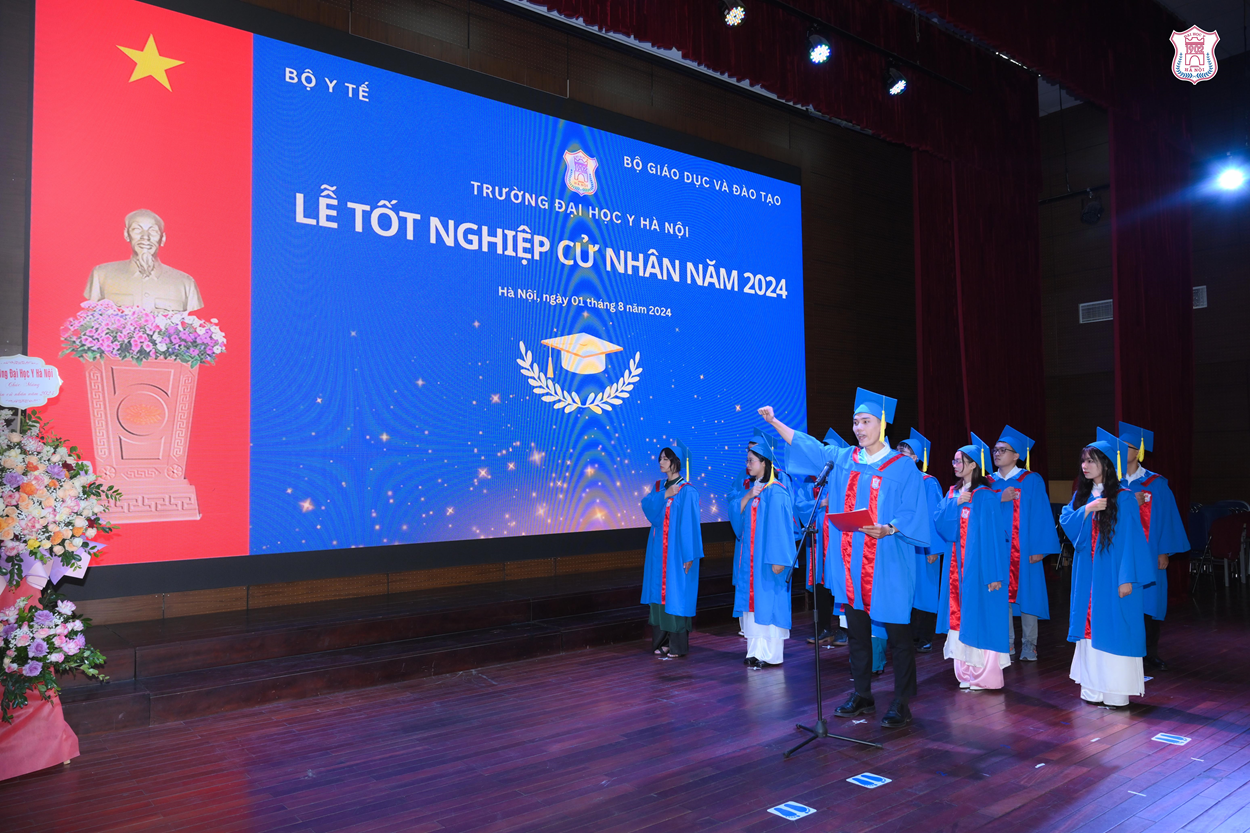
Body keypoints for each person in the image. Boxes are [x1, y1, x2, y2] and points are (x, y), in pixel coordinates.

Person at [759, 388, 930, 728]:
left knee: (898, 635)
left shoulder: (903, 467)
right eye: (855, 422)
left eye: (866, 421)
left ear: (882, 424)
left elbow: (913, 510)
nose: (859, 428)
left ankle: (901, 701)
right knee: (857, 632)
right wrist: (776, 422)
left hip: (888, 562)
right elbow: (809, 446)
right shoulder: (843, 459)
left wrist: (891, 528)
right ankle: (863, 694)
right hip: (852, 564)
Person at [1059, 432, 1151, 709]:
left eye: (1092, 460)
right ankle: (1093, 688)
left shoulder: (1123, 498)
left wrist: (1127, 579)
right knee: (1089, 627)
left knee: (1114, 627)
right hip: (1087, 575)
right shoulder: (1083, 495)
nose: (1085, 466)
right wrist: (1087, 510)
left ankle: (1116, 691)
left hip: (1112, 575)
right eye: (1083, 461)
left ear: (1108, 464)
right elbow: (1067, 523)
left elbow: (1131, 542)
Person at [935, 436, 1010, 690]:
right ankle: (965, 672)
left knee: (980, 617)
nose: (955, 464)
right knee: (959, 617)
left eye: (960, 461)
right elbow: (942, 527)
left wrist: (994, 575)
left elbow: (994, 539)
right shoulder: (953, 493)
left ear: (974, 465)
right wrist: (953, 504)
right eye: (954, 460)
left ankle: (985, 675)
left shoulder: (986, 495)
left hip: (978, 569)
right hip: (956, 570)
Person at [1118, 422, 1189, 671]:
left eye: (1126, 446)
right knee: (1122, 600)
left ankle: (1149, 652)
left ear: (1138, 451)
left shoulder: (1155, 483)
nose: (1120, 449)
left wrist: (1163, 551)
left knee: (1149, 601)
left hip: (1148, 553)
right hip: (1118, 555)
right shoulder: (1110, 483)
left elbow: (1168, 519)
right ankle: (1123, 649)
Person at [989, 426, 1060, 662]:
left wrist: (1040, 548)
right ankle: (1006, 642)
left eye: (1003, 450)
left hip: (1025, 549)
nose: (997, 454)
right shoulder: (988, 482)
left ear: (1017, 454)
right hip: (998, 551)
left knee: (1028, 595)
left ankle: (1029, 644)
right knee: (1001, 597)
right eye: (995, 450)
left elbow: (1041, 514)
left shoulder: (1030, 480)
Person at [729, 435, 796, 668]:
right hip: (751, 560)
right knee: (753, 605)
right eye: (747, 460)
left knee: (769, 603)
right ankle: (755, 651)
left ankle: (771, 654)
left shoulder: (776, 492)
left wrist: (780, 559)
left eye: (751, 461)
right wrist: (748, 495)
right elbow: (738, 522)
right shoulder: (755, 491)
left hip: (768, 561)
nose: (747, 465)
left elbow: (782, 529)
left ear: (764, 462)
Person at [640, 441, 704, 658]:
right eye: (660, 458)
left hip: (676, 552)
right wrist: (665, 494)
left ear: (676, 462)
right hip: (658, 552)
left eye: (665, 458)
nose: (661, 462)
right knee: (658, 595)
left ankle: (677, 645)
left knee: (676, 595)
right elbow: (648, 508)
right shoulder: (659, 488)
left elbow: (691, 526)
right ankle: (661, 641)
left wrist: (689, 555)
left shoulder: (688, 491)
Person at [84, 209, 204, 312]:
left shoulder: (185, 283)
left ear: (163, 239)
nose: (145, 237)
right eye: (137, 230)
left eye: (153, 231)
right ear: (126, 234)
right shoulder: (101, 275)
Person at [898, 429, 946, 653]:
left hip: (923, 546)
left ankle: (925, 636)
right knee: (904, 590)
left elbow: (935, 516)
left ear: (916, 457)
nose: (900, 454)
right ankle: (906, 636)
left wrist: (933, 549)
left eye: (905, 452)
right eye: (898, 451)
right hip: (901, 545)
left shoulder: (928, 482)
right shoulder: (895, 481)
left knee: (924, 591)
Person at [806, 429, 850, 649]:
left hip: (837, 540)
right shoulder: (813, 479)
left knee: (840, 583)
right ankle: (824, 628)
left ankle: (845, 630)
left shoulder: (846, 477)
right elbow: (799, 505)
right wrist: (822, 503)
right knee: (820, 583)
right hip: (817, 542)